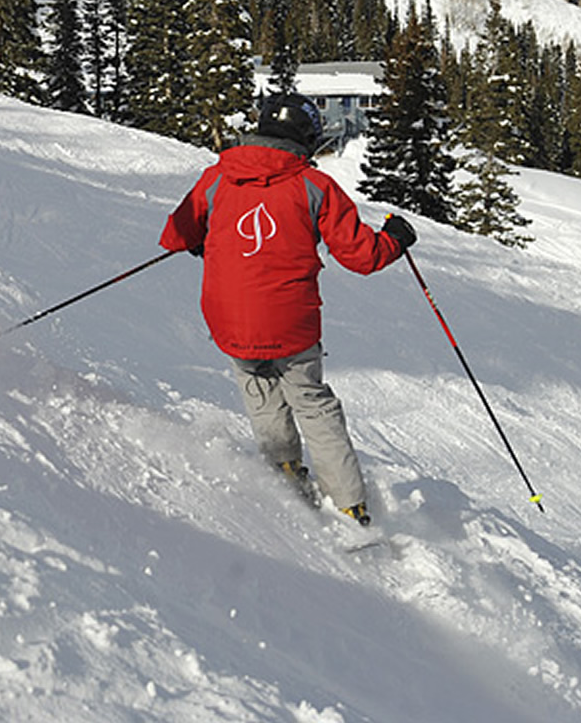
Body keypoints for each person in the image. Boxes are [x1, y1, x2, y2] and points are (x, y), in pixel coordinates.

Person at [158, 92, 416, 525]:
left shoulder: (218, 177)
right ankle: (349, 504)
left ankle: (284, 473)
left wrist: (201, 240)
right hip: (290, 323)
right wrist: (397, 238)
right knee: (312, 402)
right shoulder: (315, 186)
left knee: (260, 391)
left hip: (229, 321)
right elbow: (362, 256)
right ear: (307, 137)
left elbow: (176, 234)